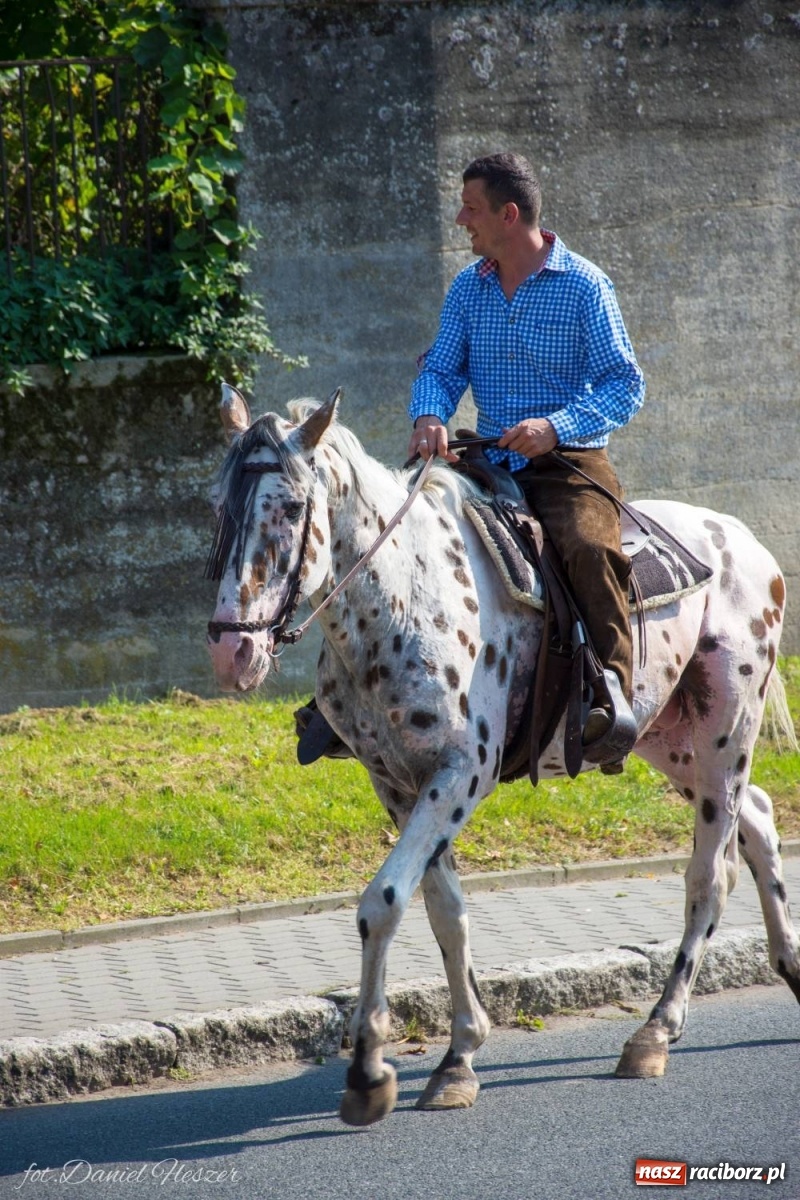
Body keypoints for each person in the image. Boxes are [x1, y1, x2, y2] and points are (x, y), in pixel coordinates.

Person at [408, 151, 645, 767]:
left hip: (569, 464)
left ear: (508, 215)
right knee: (402, 526)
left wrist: (555, 427)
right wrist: (429, 413)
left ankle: (613, 694)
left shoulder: (585, 285)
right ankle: (356, 696)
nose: (462, 220)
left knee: (591, 549)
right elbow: (440, 367)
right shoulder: (469, 286)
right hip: (486, 459)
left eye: (471, 208)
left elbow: (624, 384)